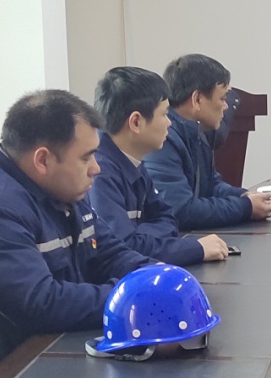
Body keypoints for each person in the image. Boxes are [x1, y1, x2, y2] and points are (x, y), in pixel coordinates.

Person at [0, 90, 155, 337]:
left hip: (42, 341)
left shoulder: (62, 190)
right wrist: (134, 297)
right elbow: (43, 304)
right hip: (7, 358)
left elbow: (110, 254)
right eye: (86, 158)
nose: (96, 168)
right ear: (43, 160)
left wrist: (159, 279)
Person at [91, 67, 230, 267]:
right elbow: (124, 249)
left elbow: (168, 218)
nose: (169, 123)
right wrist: (195, 249)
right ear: (136, 122)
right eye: (164, 114)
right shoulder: (99, 172)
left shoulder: (133, 161)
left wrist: (140, 235)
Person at [143, 54, 271, 230]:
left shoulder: (196, 131)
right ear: (197, 99)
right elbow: (180, 210)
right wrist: (245, 207)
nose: (226, 106)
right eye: (222, 99)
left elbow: (211, 186)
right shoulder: (163, 140)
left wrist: (244, 196)